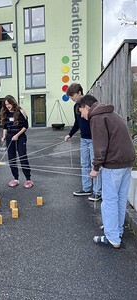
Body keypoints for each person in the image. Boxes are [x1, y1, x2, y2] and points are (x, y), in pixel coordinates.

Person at [77, 94, 135, 248]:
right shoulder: (111, 114)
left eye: (81, 111)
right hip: (127, 161)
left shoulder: (97, 118)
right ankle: (116, 230)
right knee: (120, 198)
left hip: (114, 164)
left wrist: (95, 167)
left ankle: (112, 238)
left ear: (87, 107)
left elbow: (100, 145)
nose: (82, 115)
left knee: (109, 200)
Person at [64, 83, 102, 201]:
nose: (72, 99)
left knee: (94, 164)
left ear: (79, 93)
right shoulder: (76, 107)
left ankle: (97, 191)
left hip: (93, 139)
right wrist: (70, 134)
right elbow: (77, 123)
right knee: (84, 164)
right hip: (83, 139)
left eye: (73, 96)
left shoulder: (91, 103)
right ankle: (86, 188)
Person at [0, 95, 33, 189]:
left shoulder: (20, 112)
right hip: (10, 137)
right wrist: (4, 136)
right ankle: (15, 178)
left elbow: (25, 126)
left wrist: (17, 135)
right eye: (6, 104)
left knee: (22, 156)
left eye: (9, 104)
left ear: (13, 102)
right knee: (11, 158)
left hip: (20, 137)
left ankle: (28, 179)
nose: (7, 106)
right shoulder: (5, 113)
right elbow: (5, 127)